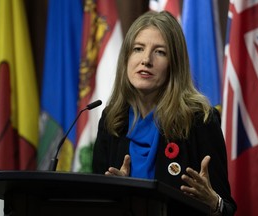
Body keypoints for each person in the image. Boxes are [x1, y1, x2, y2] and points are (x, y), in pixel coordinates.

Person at [92, 10, 237, 216]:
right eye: (138, 49)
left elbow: (227, 208)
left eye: (159, 52)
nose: (146, 60)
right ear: (126, 58)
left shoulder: (199, 120)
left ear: (174, 64)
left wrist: (214, 203)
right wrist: (115, 196)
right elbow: (95, 203)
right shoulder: (112, 119)